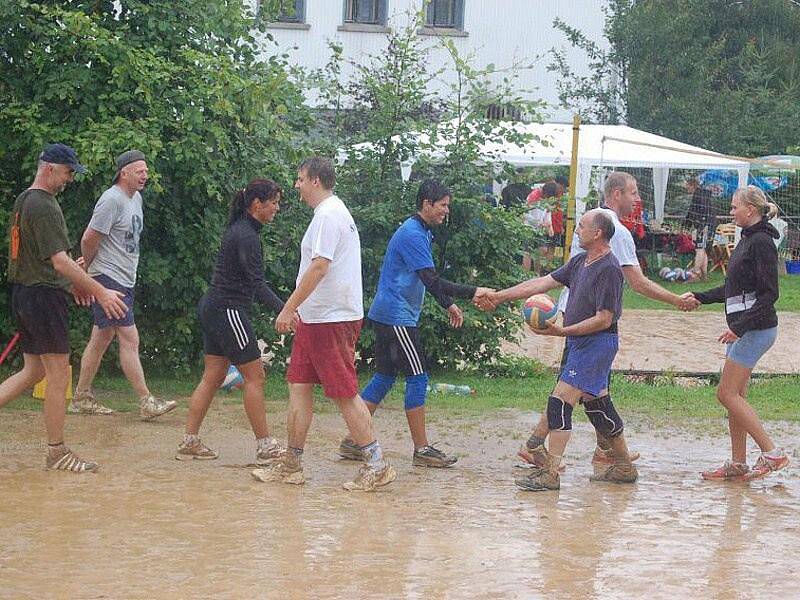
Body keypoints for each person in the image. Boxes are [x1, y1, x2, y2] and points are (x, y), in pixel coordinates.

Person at [504, 172, 699, 471]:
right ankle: (542, 450)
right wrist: (676, 300)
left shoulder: (599, 227)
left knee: (591, 395)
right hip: (586, 323)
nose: (637, 199)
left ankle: (606, 454)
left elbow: (554, 284)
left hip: (587, 323)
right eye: (633, 193)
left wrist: (501, 297)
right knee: (572, 392)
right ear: (617, 194)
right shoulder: (612, 231)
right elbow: (638, 283)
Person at [251, 157, 395, 492]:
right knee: (298, 386)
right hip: (318, 317)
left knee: (343, 392)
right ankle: (292, 463)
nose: (296, 186)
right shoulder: (328, 214)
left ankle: (377, 464)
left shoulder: (329, 215)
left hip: (331, 318)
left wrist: (288, 308)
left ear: (316, 180)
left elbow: (318, 268)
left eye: (300, 179)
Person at [336, 180, 493, 468]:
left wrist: (449, 303)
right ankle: (422, 449)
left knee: (384, 376)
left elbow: (428, 279)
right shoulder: (413, 234)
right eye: (443, 205)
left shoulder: (418, 231)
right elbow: (431, 279)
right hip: (397, 316)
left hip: (389, 313)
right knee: (418, 377)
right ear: (426, 204)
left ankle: (352, 441)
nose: (447, 210)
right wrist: (472, 292)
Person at [478, 209, 636, 490]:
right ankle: (624, 466)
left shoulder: (610, 268)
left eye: (583, 226)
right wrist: (498, 296)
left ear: (598, 233)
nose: (577, 230)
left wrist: (562, 331)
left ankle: (550, 473)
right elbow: (541, 283)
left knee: (560, 401)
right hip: (581, 344)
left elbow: (604, 318)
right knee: (598, 405)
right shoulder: (580, 261)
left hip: (598, 344)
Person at [0, 143, 128, 473]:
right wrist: (99, 291)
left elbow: (43, 260)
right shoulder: (44, 205)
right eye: (68, 172)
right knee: (58, 376)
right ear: (50, 169)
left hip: (26, 294)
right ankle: (56, 452)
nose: (69, 179)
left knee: (34, 371)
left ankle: (57, 451)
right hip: (42, 299)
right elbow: (58, 261)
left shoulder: (24, 201)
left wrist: (73, 281)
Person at [176, 179, 285, 464]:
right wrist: (285, 310)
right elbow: (258, 284)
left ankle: (190, 441)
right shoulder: (247, 236)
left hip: (214, 307)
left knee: (212, 377)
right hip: (228, 311)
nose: (276, 207)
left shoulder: (241, 230)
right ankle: (266, 447)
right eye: (273, 202)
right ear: (256, 205)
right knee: (255, 376)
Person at [687, 186, 789, 481]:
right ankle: (739, 463)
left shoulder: (761, 243)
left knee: (725, 393)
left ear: (750, 210)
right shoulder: (746, 240)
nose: (731, 212)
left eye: (734, 207)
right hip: (745, 330)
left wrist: (738, 328)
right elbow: (732, 289)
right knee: (737, 398)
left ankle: (772, 453)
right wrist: (700, 296)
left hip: (755, 330)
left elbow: (770, 295)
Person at [71, 150, 176, 419]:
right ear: (124, 172)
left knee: (101, 337)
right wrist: (87, 272)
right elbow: (88, 239)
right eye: (139, 170)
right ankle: (146, 401)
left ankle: (81, 396)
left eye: (146, 171)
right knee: (130, 337)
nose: (145, 175)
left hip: (124, 277)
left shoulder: (136, 199)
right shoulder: (111, 200)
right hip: (107, 277)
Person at [684, 177, 716, 280]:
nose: (686, 187)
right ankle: (704, 275)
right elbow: (692, 212)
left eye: (687, 185)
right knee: (703, 249)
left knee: (700, 248)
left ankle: (696, 272)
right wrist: (687, 226)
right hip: (705, 225)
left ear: (692, 185)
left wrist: (703, 225)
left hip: (705, 225)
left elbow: (702, 211)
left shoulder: (700, 195)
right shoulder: (701, 194)